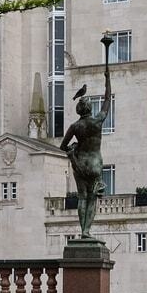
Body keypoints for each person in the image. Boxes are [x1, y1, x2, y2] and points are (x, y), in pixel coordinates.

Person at [61, 85, 107, 239]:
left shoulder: (75, 127)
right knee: (92, 199)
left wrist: (75, 146)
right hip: (94, 164)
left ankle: (83, 232)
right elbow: (107, 100)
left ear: (79, 110)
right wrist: (107, 82)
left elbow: (62, 147)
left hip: (79, 164)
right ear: (90, 108)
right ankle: (87, 229)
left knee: (82, 197)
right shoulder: (97, 121)